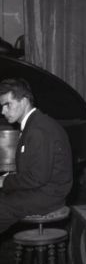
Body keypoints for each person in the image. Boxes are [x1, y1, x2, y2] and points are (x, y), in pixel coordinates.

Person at [0, 78, 73, 235]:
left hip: (47, 196)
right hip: (42, 189)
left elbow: (37, 178)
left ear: (24, 101)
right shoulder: (34, 123)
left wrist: (5, 181)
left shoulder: (38, 130)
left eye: (8, 105)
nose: (3, 111)